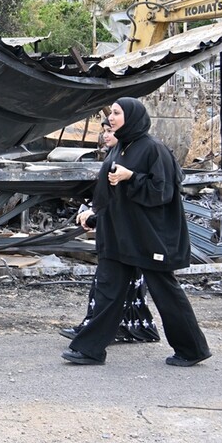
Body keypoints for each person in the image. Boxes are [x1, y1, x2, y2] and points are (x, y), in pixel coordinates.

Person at [61, 97, 211, 367]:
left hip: (148, 238)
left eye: (117, 113)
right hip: (119, 237)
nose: (111, 118)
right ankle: (89, 349)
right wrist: (94, 217)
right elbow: (114, 197)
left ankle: (192, 349)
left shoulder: (154, 150)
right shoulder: (120, 149)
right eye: (111, 114)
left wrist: (133, 178)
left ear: (133, 117)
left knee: (166, 293)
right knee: (107, 292)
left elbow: (162, 192)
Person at [61, 120, 160, 344]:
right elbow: (108, 198)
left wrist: (96, 217)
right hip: (117, 232)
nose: (106, 135)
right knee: (112, 285)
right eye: (104, 131)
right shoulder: (117, 154)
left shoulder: (138, 156)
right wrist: (93, 215)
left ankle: (100, 334)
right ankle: (110, 329)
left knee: (115, 285)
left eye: (111, 131)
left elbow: (126, 200)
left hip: (130, 234)